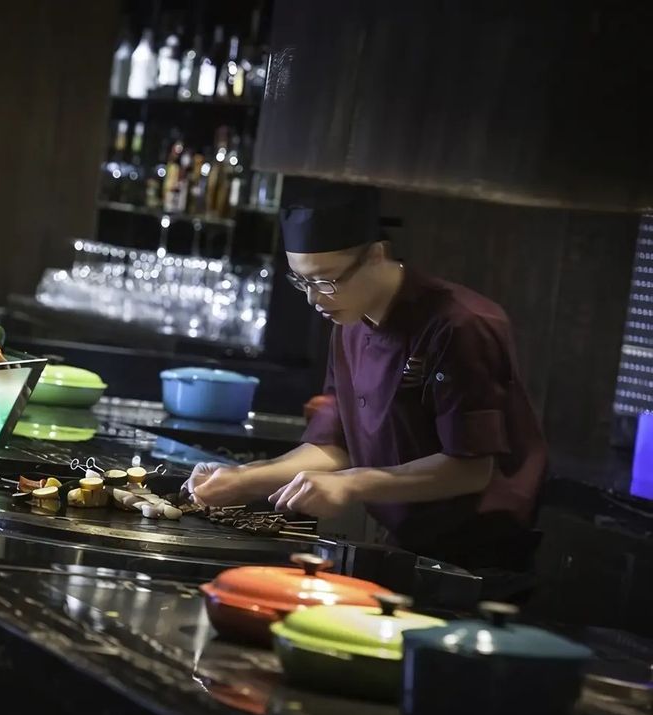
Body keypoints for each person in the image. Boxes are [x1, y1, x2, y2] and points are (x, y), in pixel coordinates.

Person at [187, 185, 548, 577]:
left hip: (480, 557)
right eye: (302, 282)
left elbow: (470, 468)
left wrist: (352, 484)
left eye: (325, 281)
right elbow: (334, 446)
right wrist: (243, 479)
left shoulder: (461, 324)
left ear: (376, 255)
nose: (313, 299)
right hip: (405, 543)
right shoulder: (348, 320)